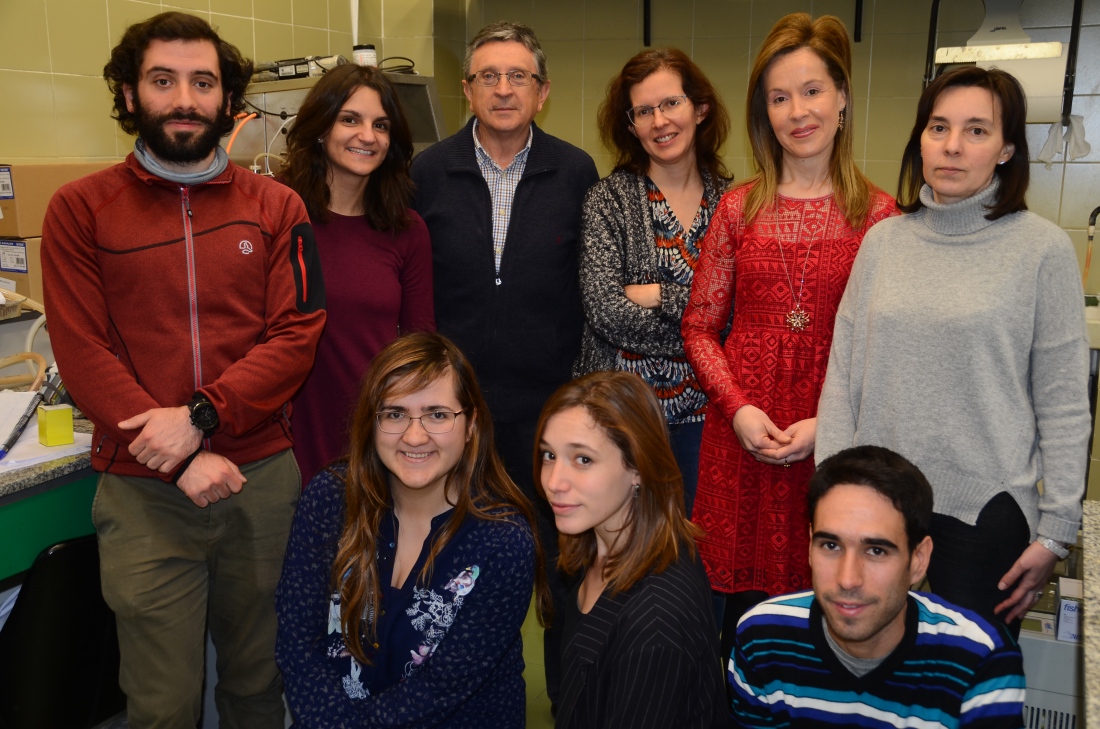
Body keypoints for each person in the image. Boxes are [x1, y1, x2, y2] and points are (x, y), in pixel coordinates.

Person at [40, 12, 326, 727]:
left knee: (259, 689)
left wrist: (202, 419)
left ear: (229, 100)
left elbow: (296, 335)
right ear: (131, 95)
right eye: (163, 80)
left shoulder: (278, 206)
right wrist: (176, 457)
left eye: (204, 82)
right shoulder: (81, 210)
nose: (185, 99)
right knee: (162, 704)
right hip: (143, 492)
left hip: (259, 481)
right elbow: (81, 351)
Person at [816, 65, 1090, 636]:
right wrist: (831, 489)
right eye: (939, 127)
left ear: (1007, 147)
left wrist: (1056, 530)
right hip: (877, 503)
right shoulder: (884, 240)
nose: (953, 146)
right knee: (876, 690)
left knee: (972, 688)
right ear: (920, 138)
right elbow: (843, 375)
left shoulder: (1041, 250)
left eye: (977, 130)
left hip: (984, 511)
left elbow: (1064, 401)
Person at [681, 12, 898, 657]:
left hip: (831, 442)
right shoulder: (736, 207)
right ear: (762, 112)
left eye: (811, 91)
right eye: (779, 97)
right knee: (739, 626)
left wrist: (823, 426)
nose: (797, 111)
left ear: (842, 99)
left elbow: (880, 352)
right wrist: (740, 408)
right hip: (740, 438)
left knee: (827, 614)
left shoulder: (880, 217)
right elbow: (698, 328)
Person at [410, 20, 599, 706]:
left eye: (518, 76)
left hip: (549, 414)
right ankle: (456, 706)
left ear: (542, 92)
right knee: (452, 572)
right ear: (466, 90)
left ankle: (567, 703)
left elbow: (587, 285)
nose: (503, 88)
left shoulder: (575, 170)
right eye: (488, 76)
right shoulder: (426, 172)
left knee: (559, 574)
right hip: (452, 416)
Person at [275, 332, 547, 727]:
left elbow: (437, 692)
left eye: (438, 414)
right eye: (395, 413)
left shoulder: (503, 542)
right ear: (372, 422)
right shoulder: (330, 499)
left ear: (470, 424)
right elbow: (298, 643)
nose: (414, 436)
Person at [729, 445, 1026, 728]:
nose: (847, 579)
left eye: (876, 551)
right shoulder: (762, 638)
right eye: (830, 545)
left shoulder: (982, 658)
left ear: (919, 560)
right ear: (808, 546)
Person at [574, 48, 731, 518]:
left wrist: (660, 294)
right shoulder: (607, 201)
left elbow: (739, 320)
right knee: (619, 557)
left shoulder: (734, 203)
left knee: (694, 555)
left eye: (671, 104)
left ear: (699, 109)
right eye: (644, 111)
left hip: (707, 420)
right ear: (631, 125)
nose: (660, 121)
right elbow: (606, 312)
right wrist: (703, 329)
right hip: (619, 417)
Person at [537, 371, 729, 729]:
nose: (553, 482)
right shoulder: (602, 541)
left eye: (583, 460)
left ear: (639, 467)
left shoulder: (653, 627)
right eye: (549, 455)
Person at [281, 64, 435, 485]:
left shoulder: (406, 229)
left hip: (375, 435)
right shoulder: (277, 215)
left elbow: (419, 349)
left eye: (381, 125)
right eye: (350, 119)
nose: (368, 136)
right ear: (320, 127)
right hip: (285, 439)